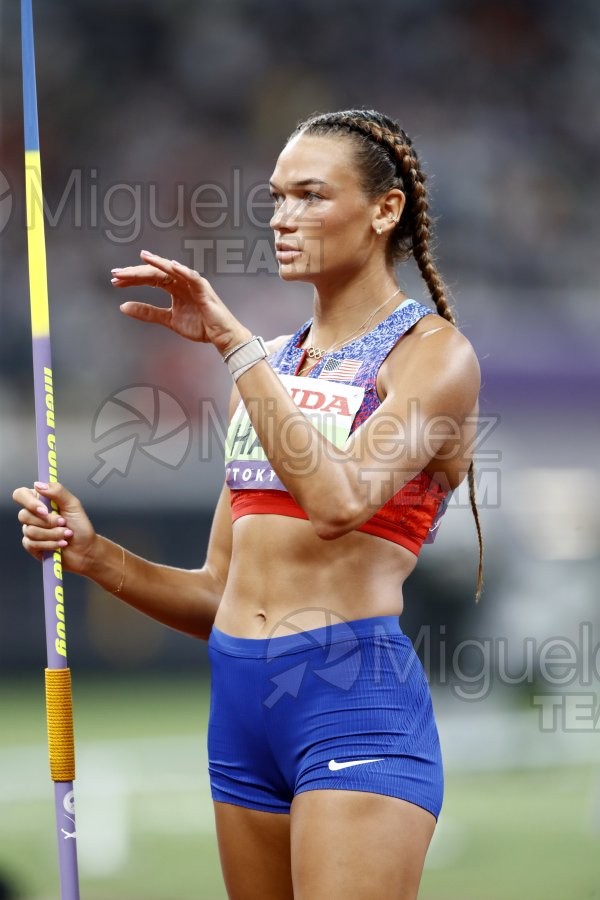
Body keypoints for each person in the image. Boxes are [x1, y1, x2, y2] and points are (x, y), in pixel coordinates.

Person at [14, 109, 482, 900]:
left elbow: (338, 502)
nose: (281, 218)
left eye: (309, 194)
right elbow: (217, 595)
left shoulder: (433, 357)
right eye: (275, 198)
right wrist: (94, 555)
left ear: (385, 210)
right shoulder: (272, 368)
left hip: (349, 703)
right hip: (240, 717)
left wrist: (235, 350)